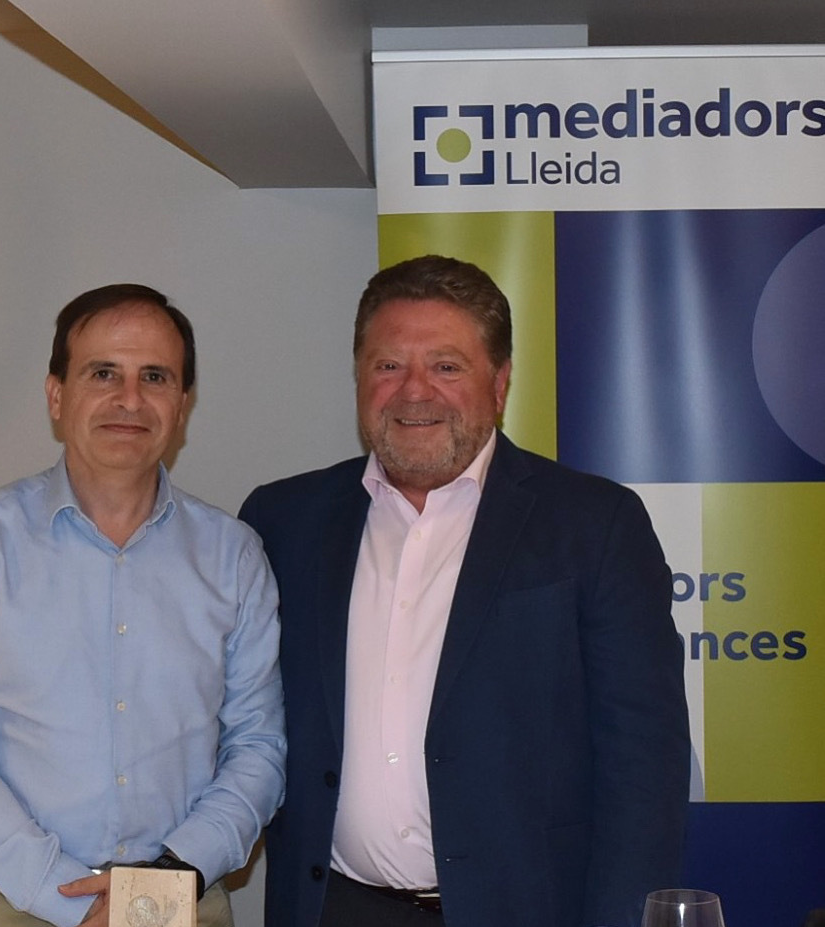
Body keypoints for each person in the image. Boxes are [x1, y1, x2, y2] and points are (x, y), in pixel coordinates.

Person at [238, 255, 690, 927]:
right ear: (359, 376)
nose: (414, 391)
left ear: (499, 383)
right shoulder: (282, 521)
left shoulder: (595, 525)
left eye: (446, 366)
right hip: (334, 907)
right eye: (389, 365)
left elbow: (643, 766)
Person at [0, 284, 286, 927]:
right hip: (12, 900)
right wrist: (63, 893)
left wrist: (170, 877)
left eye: (155, 376)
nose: (129, 399)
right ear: (57, 395)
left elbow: (259, 746)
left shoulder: (234, 556)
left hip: (180, 901)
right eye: (103, 372)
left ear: (182, 403)